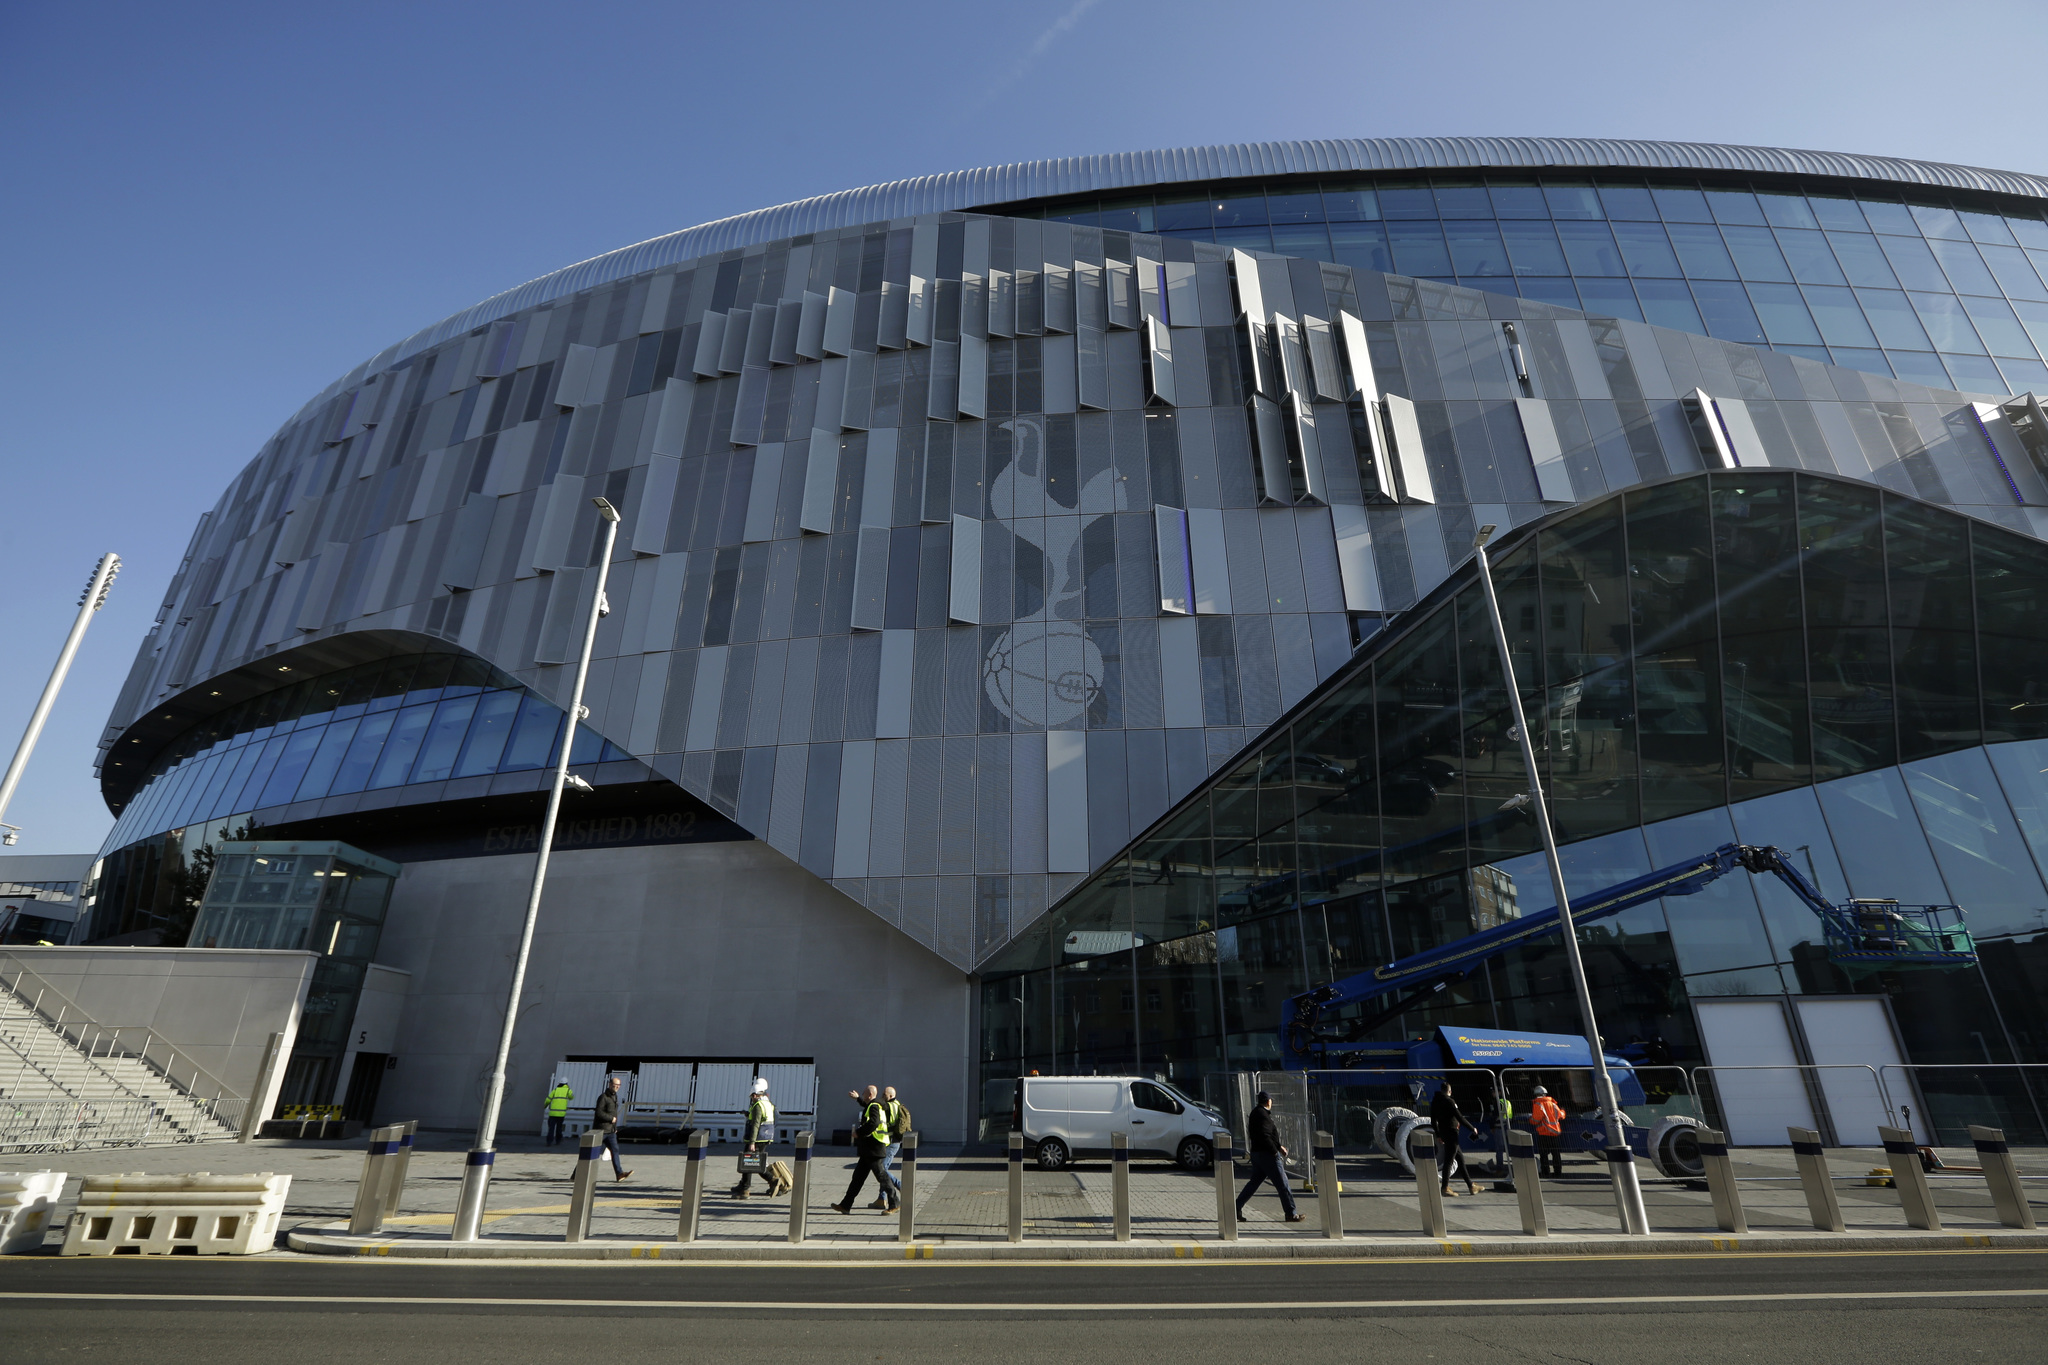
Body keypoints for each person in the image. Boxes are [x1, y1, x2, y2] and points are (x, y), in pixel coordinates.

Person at [1236, 1090, 1307, 1223]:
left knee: (1253, 1183)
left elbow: (1265, 1134)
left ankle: (1236, 1207)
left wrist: (1279, 1147)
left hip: (1257, 1153)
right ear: (1268, 1101)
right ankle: (1291, 1213)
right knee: (1283, 1184)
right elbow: (1265, 1135)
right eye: (1271, 1100)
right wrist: (1275, 1151)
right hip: (1267, 1155)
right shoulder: (1263, 1115)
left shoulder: (1256, 1113)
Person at [831, 1085, 895, 1214]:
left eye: (864, 1093)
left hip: (874, 1149)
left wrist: (858, 1133)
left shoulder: (874, 1106)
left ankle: (894, 1203)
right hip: (869, 1149)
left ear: (870, 1095)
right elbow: (867, 1107)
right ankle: (845, 1205)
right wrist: (858, 1098)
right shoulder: (873, 1105)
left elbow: (873, 1123)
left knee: (882, 1177)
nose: (862, 1094)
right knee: (858, 1178)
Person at [1430, 1081, 1478, 1196]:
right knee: (1449, 1161)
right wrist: (1472, 1128)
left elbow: (1433, 1121)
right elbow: (1459, 1117)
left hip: (1444, 1133)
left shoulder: (1435, 1101)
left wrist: (1438, 1135)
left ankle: (1471, 1186)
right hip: (1452, 1133)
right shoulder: (1449, 1101)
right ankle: (1445, 1187)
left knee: (1460, 1160)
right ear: (1450, 1091)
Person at [731, 1077, 776, 1199]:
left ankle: (771, 1180)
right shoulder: (768, 1104)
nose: (751, 1098)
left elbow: (756, 1124)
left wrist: (752, 1142)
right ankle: (744, 1185)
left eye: (752, 1096)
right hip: (766, 1136)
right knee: (751, 1161)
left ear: (755, 1095)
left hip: (757, 1138)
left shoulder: (757, 1105)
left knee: (751, 1162)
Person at [869, 1085, 911, 1211]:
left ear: (891, 1096)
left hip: (891, 1142)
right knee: (882, 1170)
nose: (882, 1096)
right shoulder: (897, 1104)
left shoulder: (889, 1107)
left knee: (882, 1170)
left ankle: (899, 1185)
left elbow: (887, 1124)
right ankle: (882, 1199)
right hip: (893, 1142)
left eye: (884, 1094)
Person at [588, 1074, 633, 1182]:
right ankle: (576, 1174)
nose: (617, 1087)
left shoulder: (614, 1097)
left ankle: (619, 1174)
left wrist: (614, 1127)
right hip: (601, 1130)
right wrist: (610, 1119)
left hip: (611, 1131)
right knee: (590, 1153)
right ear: (610, 1085)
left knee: (615, 1150)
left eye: (619, 1085)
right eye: (615, 1085)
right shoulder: (603, 1097)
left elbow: (614, 1114)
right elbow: (598, 1112)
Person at [1530, 1085, 1566, 1178]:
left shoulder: (1538, 1104)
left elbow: (1536, 1120)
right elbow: (1561, 1115)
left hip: (1544, 1133)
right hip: (1555, 1133)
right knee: (1556, 1154)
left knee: (1543, 1154)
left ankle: (1546, 1172)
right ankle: (1558, 1173)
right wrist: (1563, 1111)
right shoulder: (1553, 1103)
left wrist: (1530, 1120)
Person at [544, 1077, 574, 1147]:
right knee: (559, 1128)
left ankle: (549, 1141)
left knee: (551, 1128)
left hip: (553, 1113)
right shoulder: (568, 1090)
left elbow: (548, 1100)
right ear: (566, 1083)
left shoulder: (555, 1090)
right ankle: (558, 1140)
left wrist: (545, 1106)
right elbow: (571, 1097)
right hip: (561, 1113)